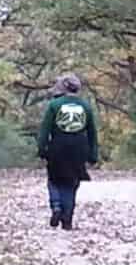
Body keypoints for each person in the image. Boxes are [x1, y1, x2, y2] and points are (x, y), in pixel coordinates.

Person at [37, 74, 98, 230]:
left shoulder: (54, 105)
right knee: (72, 183)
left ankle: (56, 205)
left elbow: (45, 130)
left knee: (54, 180)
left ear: (62, 88)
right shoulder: (86, 106)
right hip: (79, 148)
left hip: (57, 146)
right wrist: (93, 155)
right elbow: (92, 132)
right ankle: (67, 219)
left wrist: (42, 150)